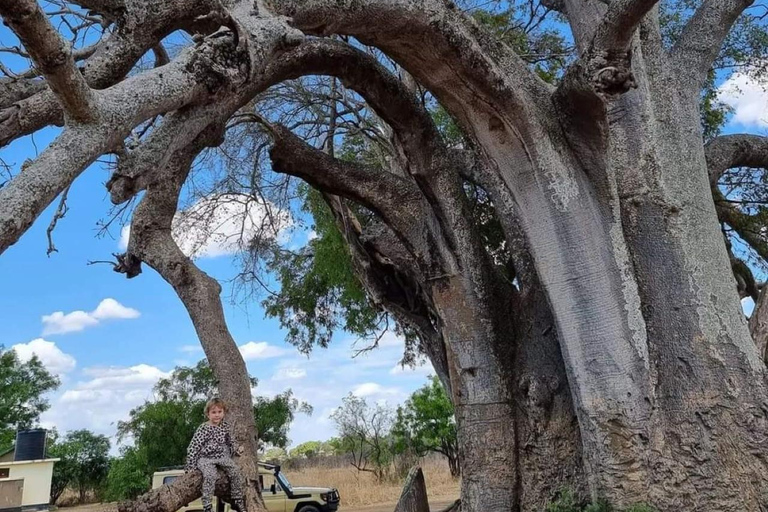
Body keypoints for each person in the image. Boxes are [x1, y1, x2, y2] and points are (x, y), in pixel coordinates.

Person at [186, 397, 246, 512]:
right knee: (210, 475)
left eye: (219, 412)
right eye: (213, 412)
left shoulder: (225, 426)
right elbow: (193, 447)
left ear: (223, 413)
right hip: (205, 458)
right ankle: (207, 506)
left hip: (222, 456)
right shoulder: (203, 428)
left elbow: (231, 441)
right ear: (208, 414)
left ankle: (237, 500)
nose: (217, 415)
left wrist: (237, 449)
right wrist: (190, 467)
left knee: (235, 472)